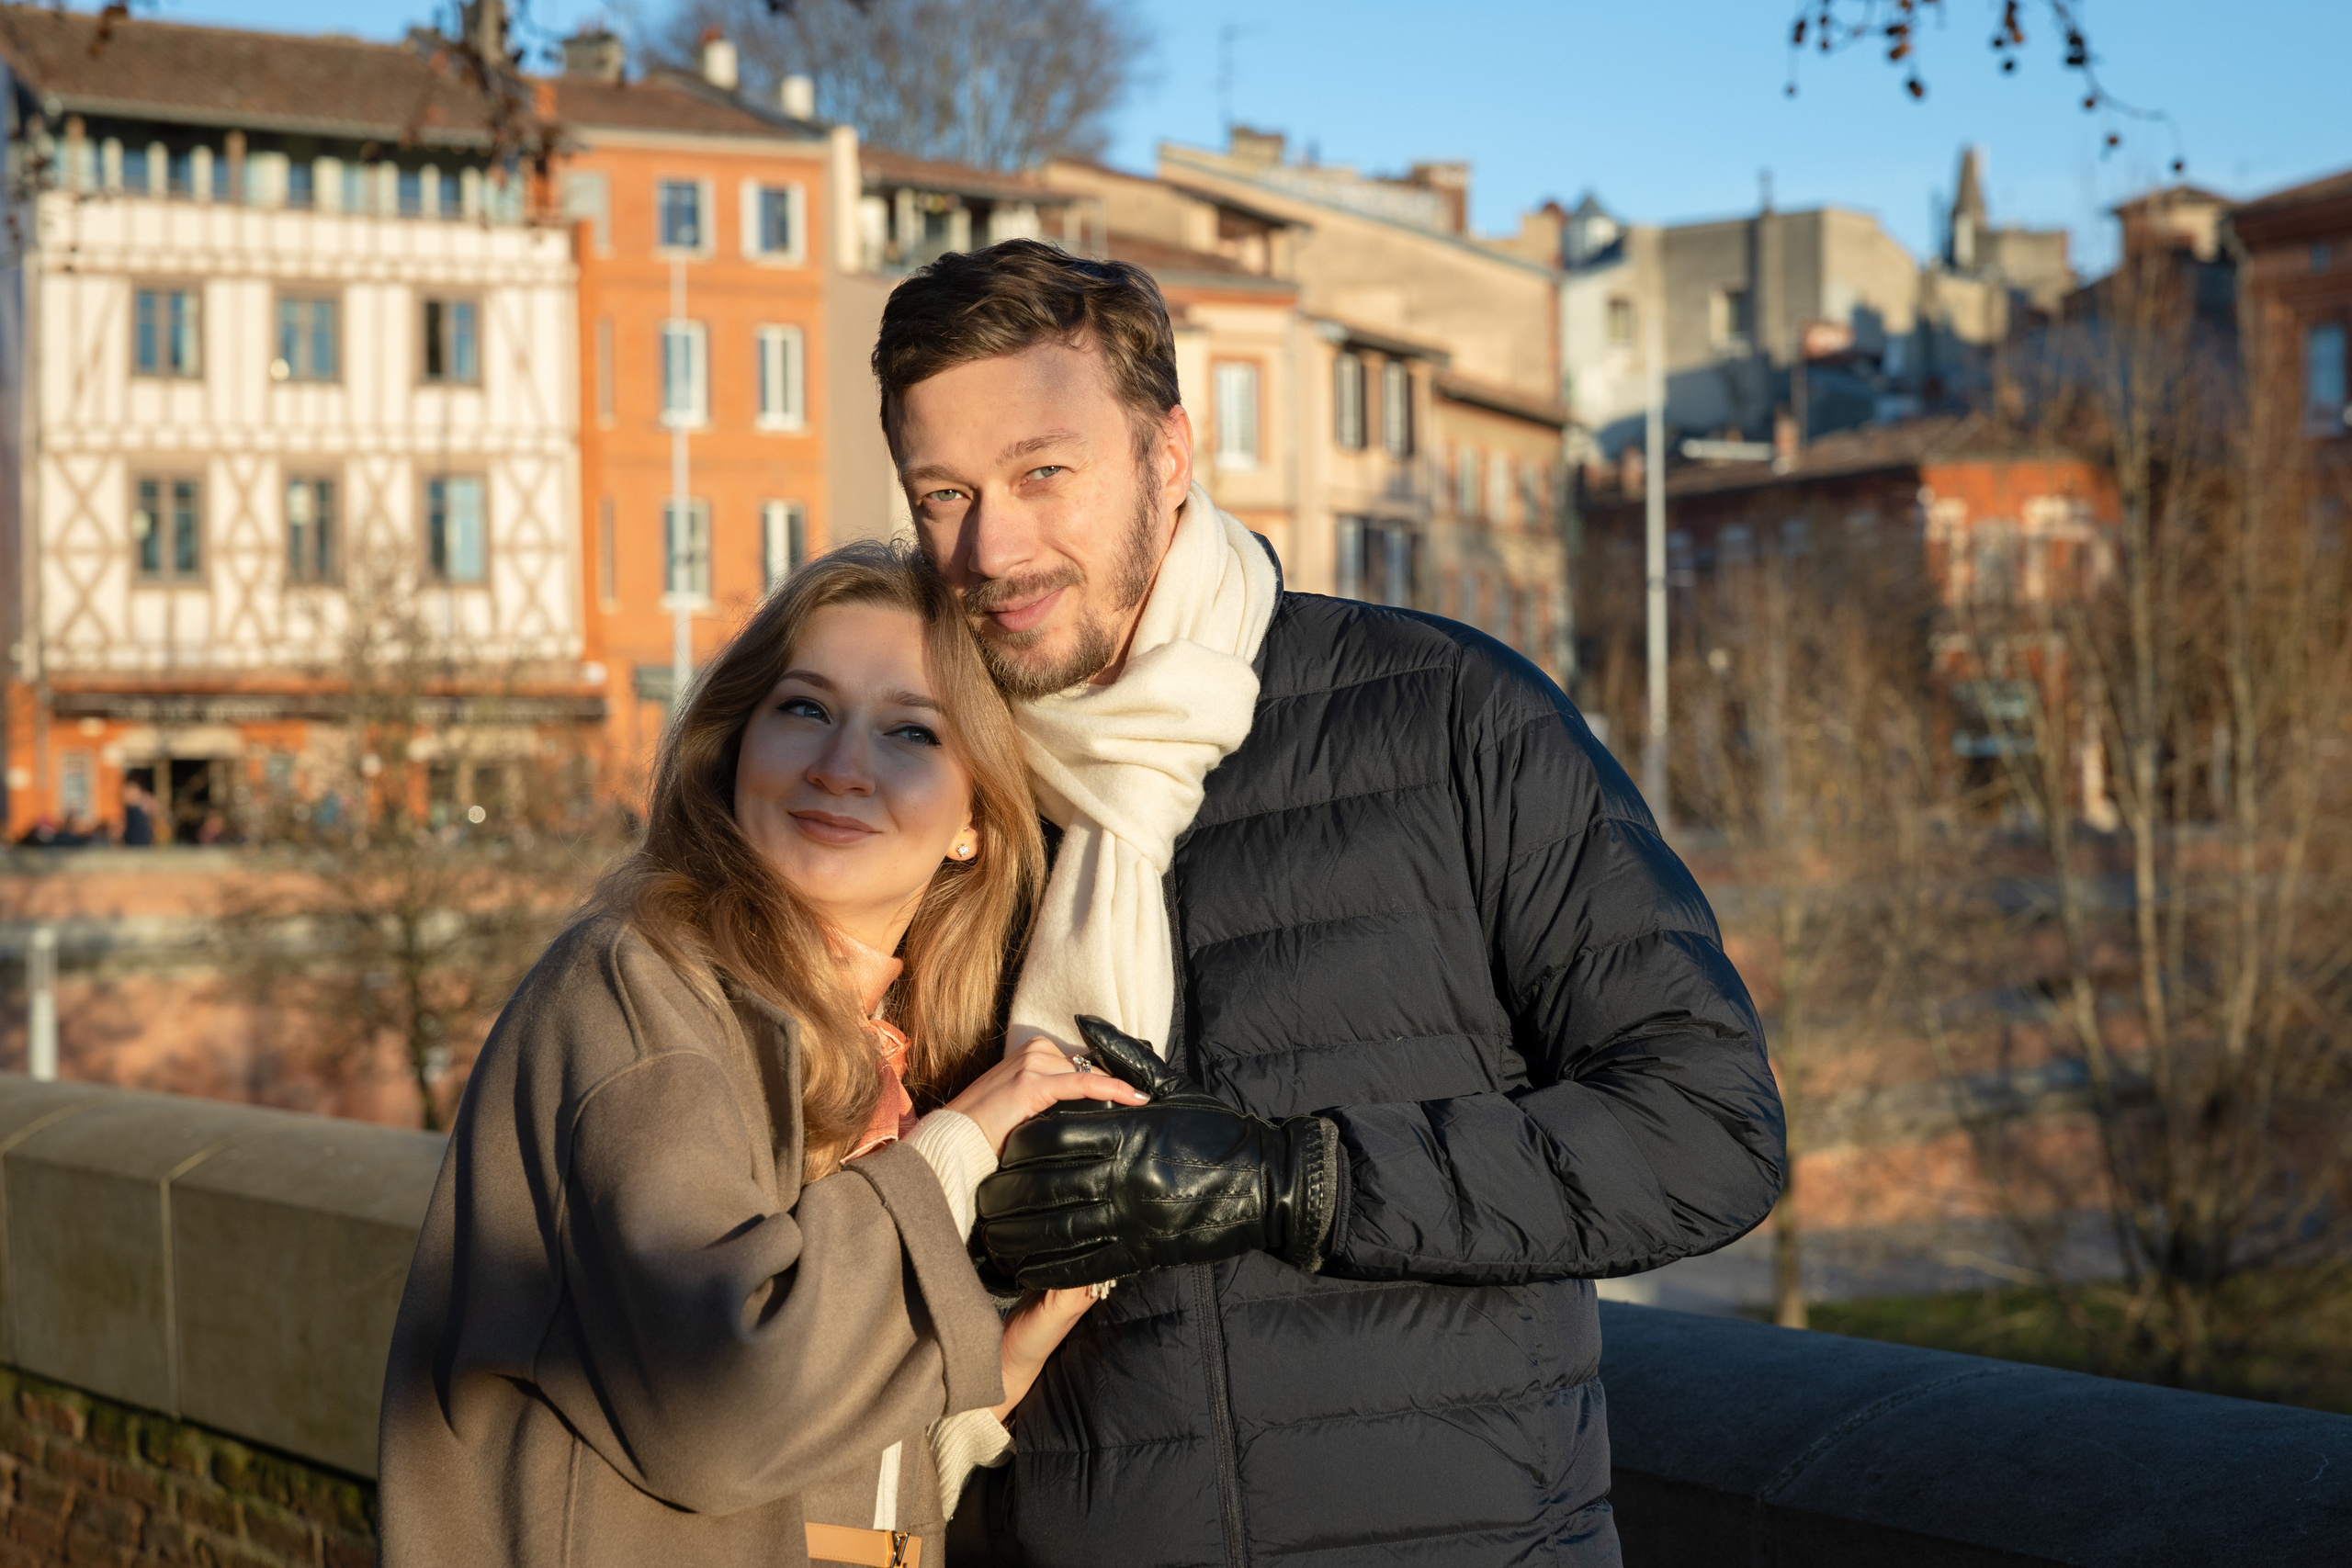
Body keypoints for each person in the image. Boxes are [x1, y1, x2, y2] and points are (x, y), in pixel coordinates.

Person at [877, 241, 1788, 1565]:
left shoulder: (1450, 715)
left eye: (1041, 474)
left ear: (1168, 454)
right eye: (943, 493)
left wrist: (1290, 1181)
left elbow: (1708, 1133)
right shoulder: (924, 790)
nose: (991, 545)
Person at [377, 543, 1152, 1568]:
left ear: (973, 818)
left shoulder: (885, 1051)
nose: (841, 765)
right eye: (804, 708)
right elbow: (720, 1402)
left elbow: (815, 1497)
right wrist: (955, 1155)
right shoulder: (637, 989)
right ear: (735, 746)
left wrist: (981, 1385)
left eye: (910, 731)